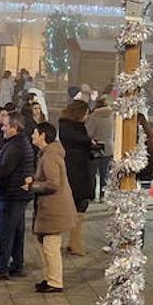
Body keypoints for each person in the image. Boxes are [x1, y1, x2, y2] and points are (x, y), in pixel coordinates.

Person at [0, 111, 35, 280]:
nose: (2, 128)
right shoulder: (17, 142)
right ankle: (17, 265)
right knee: (16, 231)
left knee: (6, 231)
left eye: (6, 126)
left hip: (12, 194)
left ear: (14, 127)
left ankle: (1, 268)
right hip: (17, 194)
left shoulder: (15, 145)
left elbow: (5, 169)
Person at [29, 122, 76, 293]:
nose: (32, 135)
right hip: (50, 209)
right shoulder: (47, 154)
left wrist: (32, 186)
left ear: (42, 135)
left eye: (35, 133)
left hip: (54, 209)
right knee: (45, 245)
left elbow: (53, 183)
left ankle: (55, 282)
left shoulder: (49, 156)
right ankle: (49, 278)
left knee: (51, 247)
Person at [58, 100, 94, 255]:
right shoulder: (66, 126)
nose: (87, 117)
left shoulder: (74, 126)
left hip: (80, 169)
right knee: (76, 205)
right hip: (74, 171)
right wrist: (89, 142)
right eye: (86, 114)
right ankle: (73, 244)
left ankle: (74, 242)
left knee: (80, 206)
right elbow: (79, 141)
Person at [87, 95, 115, 200]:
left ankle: (92, 194)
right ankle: (102, 195)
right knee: (104, 172)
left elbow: (89, 132)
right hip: (108, 146)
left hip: (96, 146)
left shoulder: (94, 116)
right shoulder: (113, 116)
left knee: (93, 172)